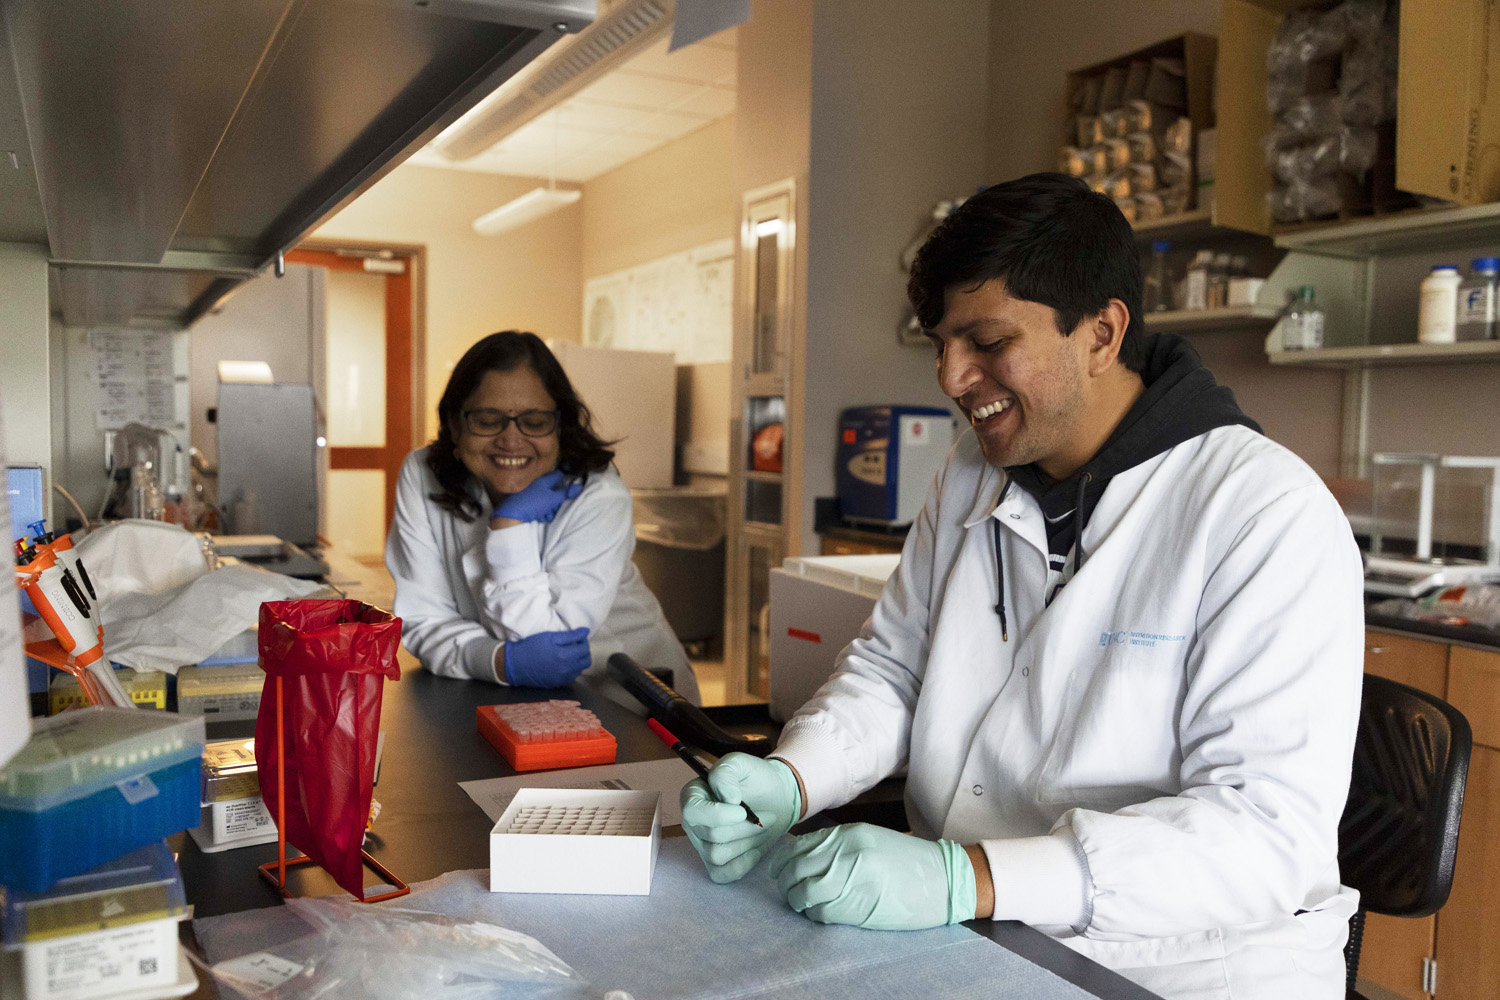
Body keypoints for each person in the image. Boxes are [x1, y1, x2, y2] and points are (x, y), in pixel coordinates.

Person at [681, 174, 1362, 1000]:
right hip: (977, 938)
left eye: (987, 341)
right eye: (941, 343)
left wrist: (967, 879)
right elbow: (896, 671)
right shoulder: (972, 474)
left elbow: (1262, 836)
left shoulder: (1262, 512)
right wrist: (795, 777)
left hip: (1177, 969)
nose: (951, 376)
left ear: (1102, 333)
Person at [386, 331, 699, 701]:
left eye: (534, 422)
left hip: (625, 699)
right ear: (455, 424)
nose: (511, 439)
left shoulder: (598, 497)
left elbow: (547, 644)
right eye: (488, 420)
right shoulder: (422, 474)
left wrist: (509, 527)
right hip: (506, 697)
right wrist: (498, 661)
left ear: (560, 426)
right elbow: (423, 620)